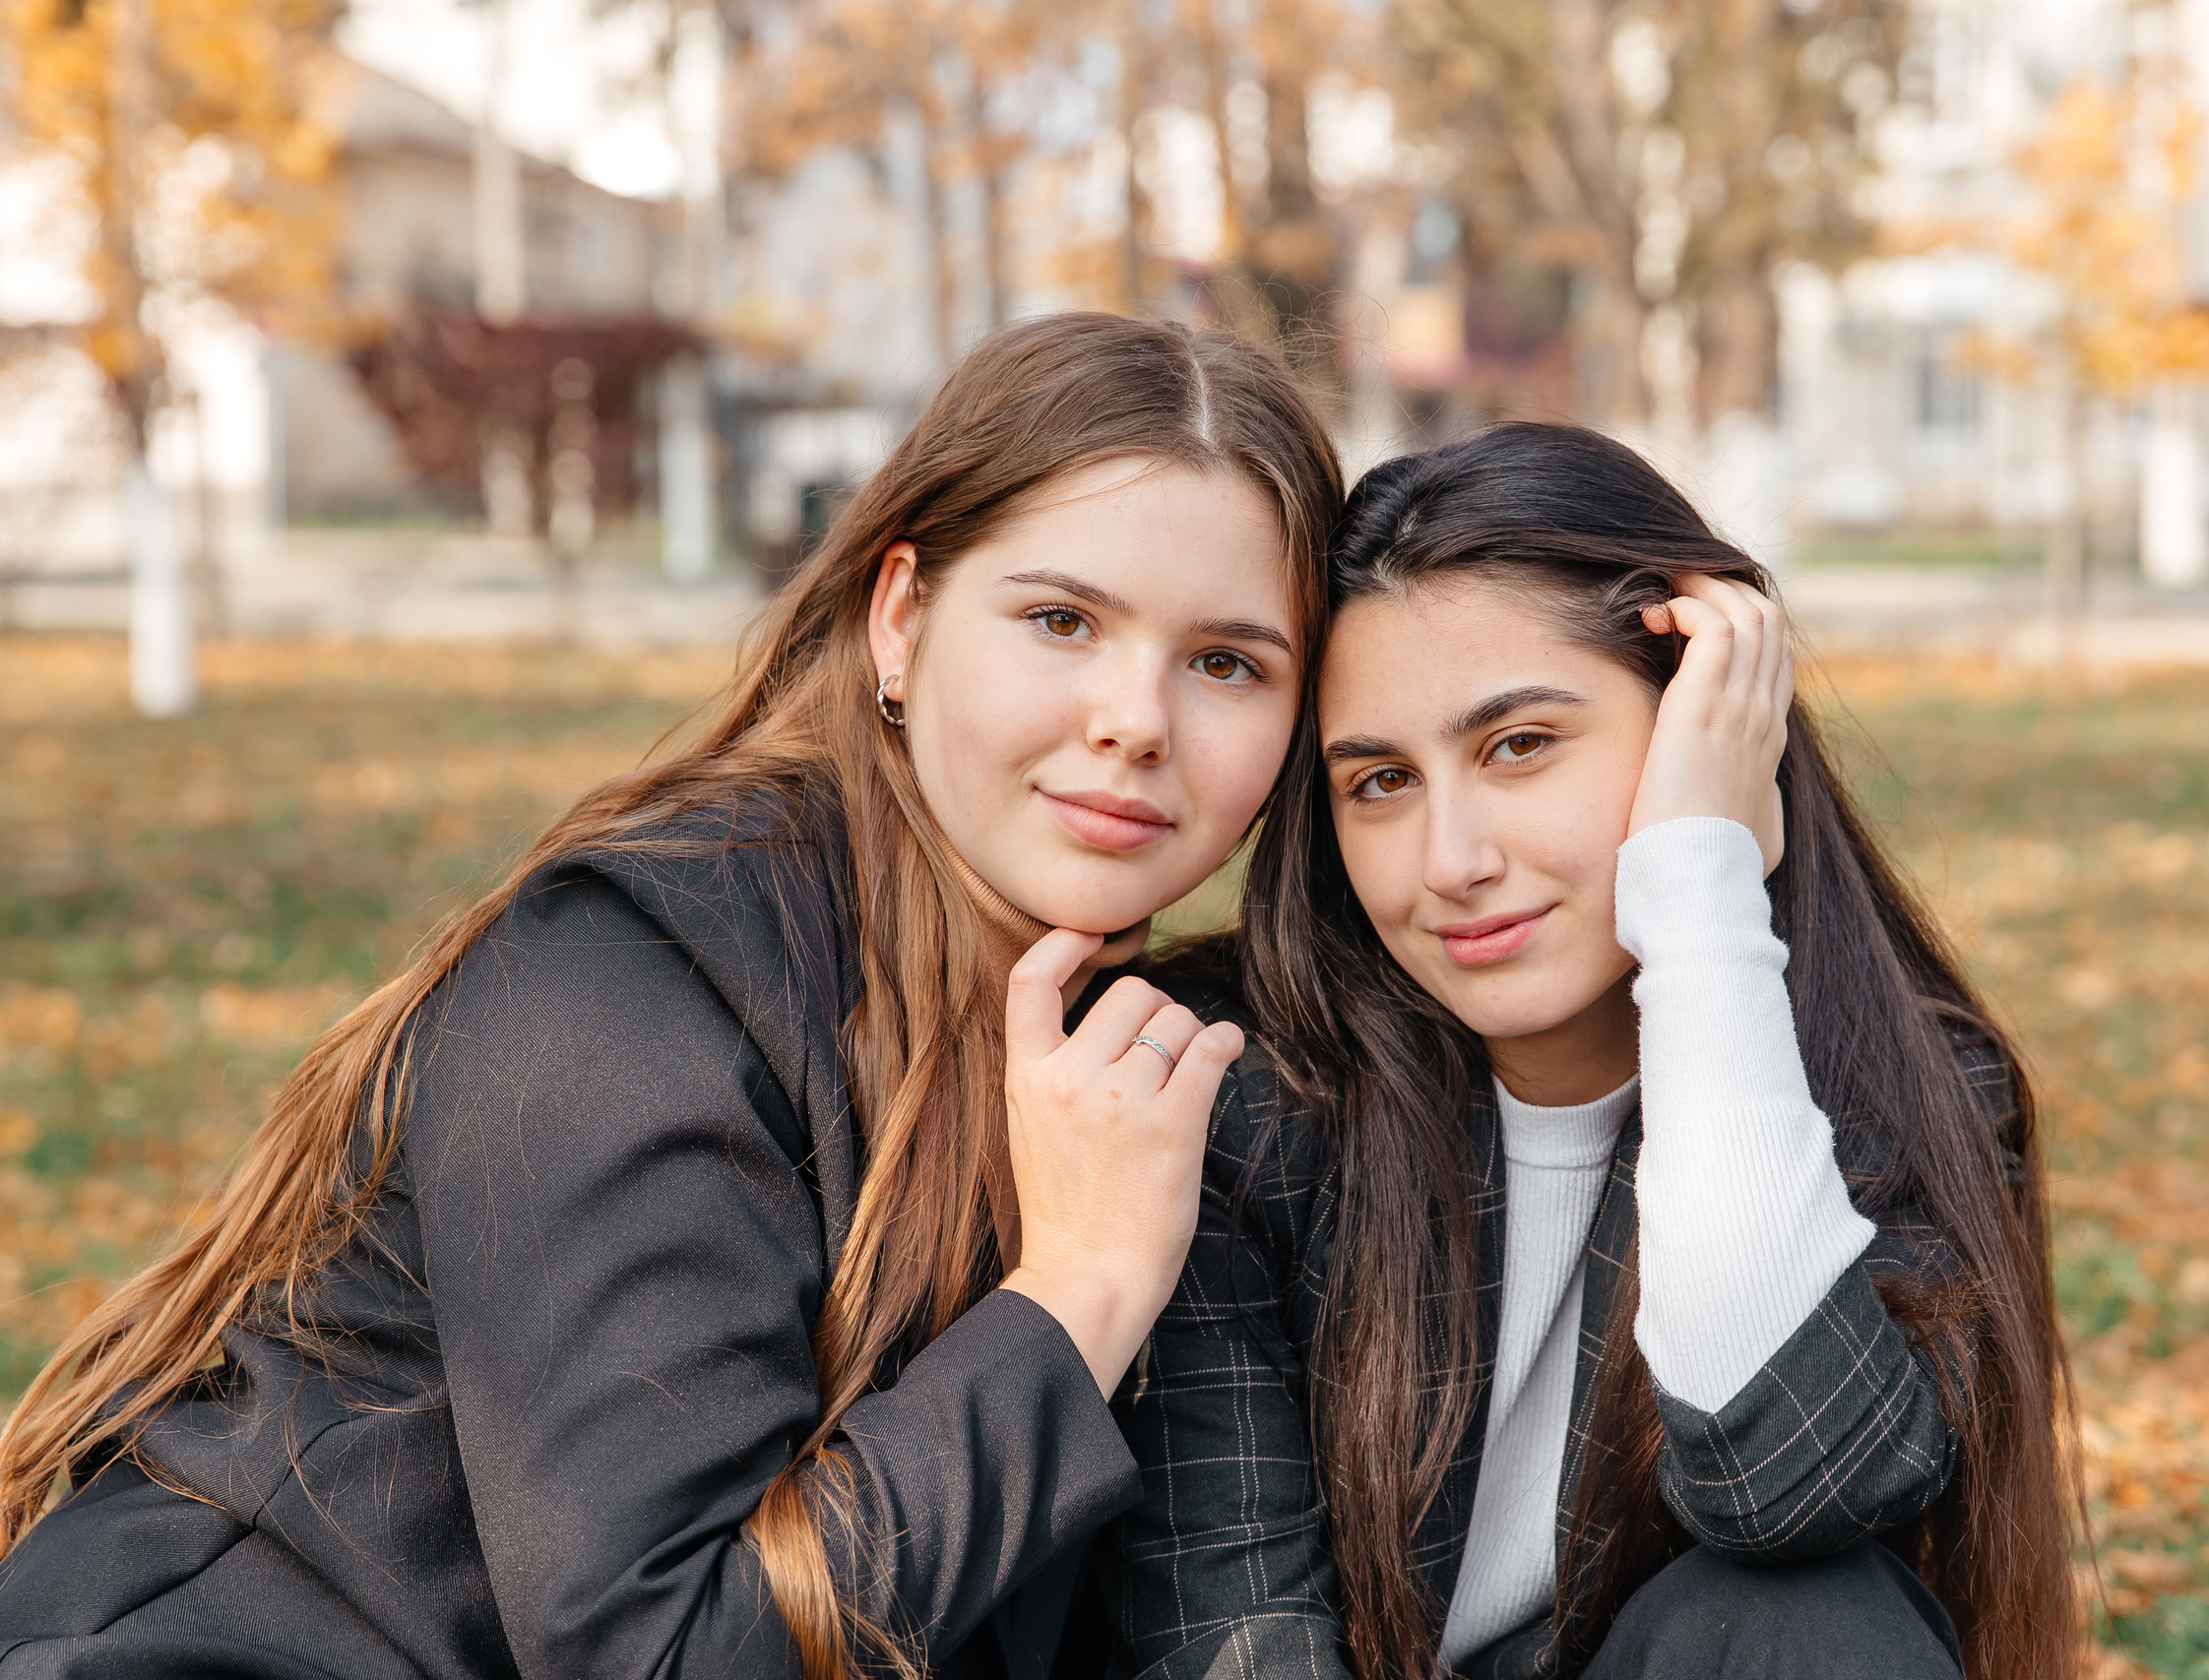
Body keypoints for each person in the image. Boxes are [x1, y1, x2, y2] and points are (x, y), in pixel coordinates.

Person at [0, 313, 1345, 1680]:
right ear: (900, 620)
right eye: (1061, 618)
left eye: (1227, 660)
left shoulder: (1112, 1044)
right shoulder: (626, 983)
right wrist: (1080, 1287)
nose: (1137, 716)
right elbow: (659, 1654)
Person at [1105, 424, 2077, 1680]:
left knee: (1804, 1616)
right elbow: (1228, 1638)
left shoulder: (1906, 1093)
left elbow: (1787, 1481)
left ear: (1704, 729)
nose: (1451, 862)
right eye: (1382, 782)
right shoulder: (1229, 1087)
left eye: (1519, 746)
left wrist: (1697, 894)